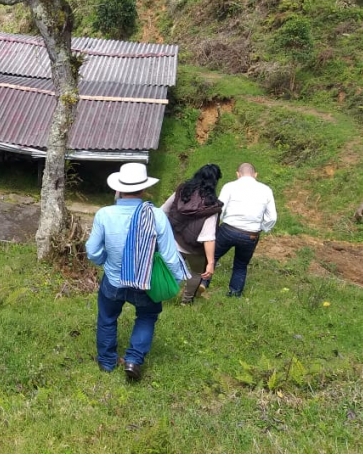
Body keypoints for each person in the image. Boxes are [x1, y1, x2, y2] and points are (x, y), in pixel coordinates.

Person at [85, 163, 190, 382]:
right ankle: (133, 359)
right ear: (143, 190)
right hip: (145, 281)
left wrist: (104, 261)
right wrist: (178, 279)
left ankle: (106, 362)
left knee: (107, 318)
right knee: (147, 316)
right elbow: (170, 254)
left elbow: (92, 251)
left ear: (118, 190)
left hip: (113, 281)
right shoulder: (156, 215)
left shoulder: (104, 214)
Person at [207, 162, 277, 297]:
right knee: (241, 265)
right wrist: (261, 228)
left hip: (228, 229)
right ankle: (234, 293)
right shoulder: (266, 190)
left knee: (212, 257)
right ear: (255, 175)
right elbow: (272, 217)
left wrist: (214, 227)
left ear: (238, 174)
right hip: (250, 234)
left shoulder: (230, 186)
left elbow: (218, 208)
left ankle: (203, 283)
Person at [160, 164, 223, 305]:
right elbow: (208, 237)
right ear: (215, 181)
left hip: (174, 241)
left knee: (168, 269)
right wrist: (211, 263)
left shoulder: (181, 191)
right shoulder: (212, 206)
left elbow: (163, 210)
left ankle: (162, 296)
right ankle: (186, 301)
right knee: (195, 273)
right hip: (194, 249)